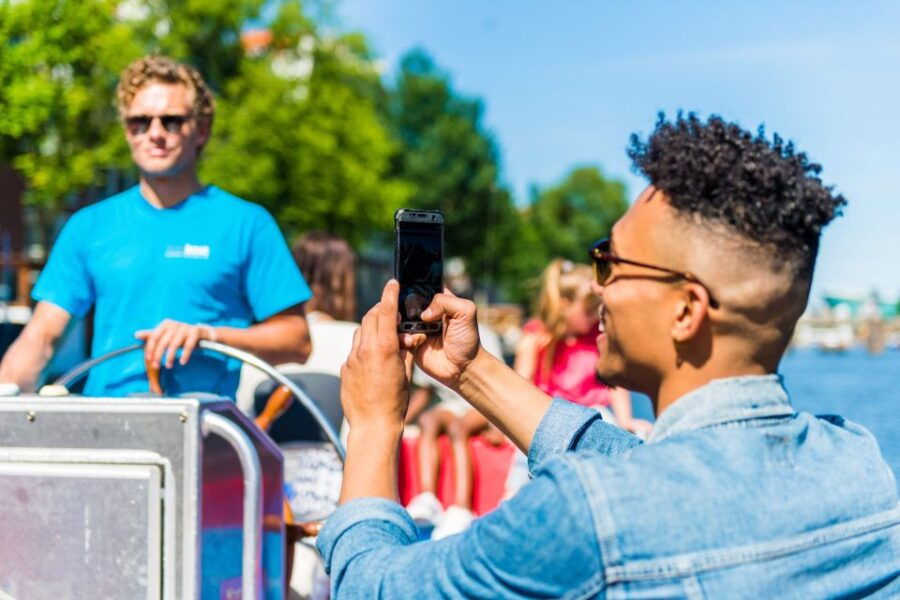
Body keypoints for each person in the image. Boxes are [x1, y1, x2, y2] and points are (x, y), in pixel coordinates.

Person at [320, 113, 899, 597]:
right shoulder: (858, 465)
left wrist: (372, 425)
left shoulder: (587, 517)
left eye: (610, 263)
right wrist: (471, 372)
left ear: (685, 310)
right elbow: (644, 467)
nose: (596, 287)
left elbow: (373, 586)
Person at [0, 55, 311, 398]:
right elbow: (41, 337)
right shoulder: (89, 226)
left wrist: (209, 335)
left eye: (172, 121)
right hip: (107, 427)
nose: (156, 134)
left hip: (205, 430)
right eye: (140, 122)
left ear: (201, 130)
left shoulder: (247, 224)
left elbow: (297, 340)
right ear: (127, 132)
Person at [514, 258, 652, 434]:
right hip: (549, 418)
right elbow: (520, 386)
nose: (595, 317)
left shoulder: (597, 336)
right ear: (564, 305)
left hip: (594, 415)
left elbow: (614, 382)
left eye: (597, 310)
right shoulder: (537, 339)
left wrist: (624, 420)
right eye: (588, 312)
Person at [403, 324, 506, 539]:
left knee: (458, 429)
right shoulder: (428, 339)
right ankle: (427, 497)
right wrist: (400, 421)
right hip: (451, 405)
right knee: (428, 420)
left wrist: (497, 425)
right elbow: (425, 391)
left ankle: (462, 507)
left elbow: (497, 379)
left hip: (480, 404)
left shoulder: (483, 333)